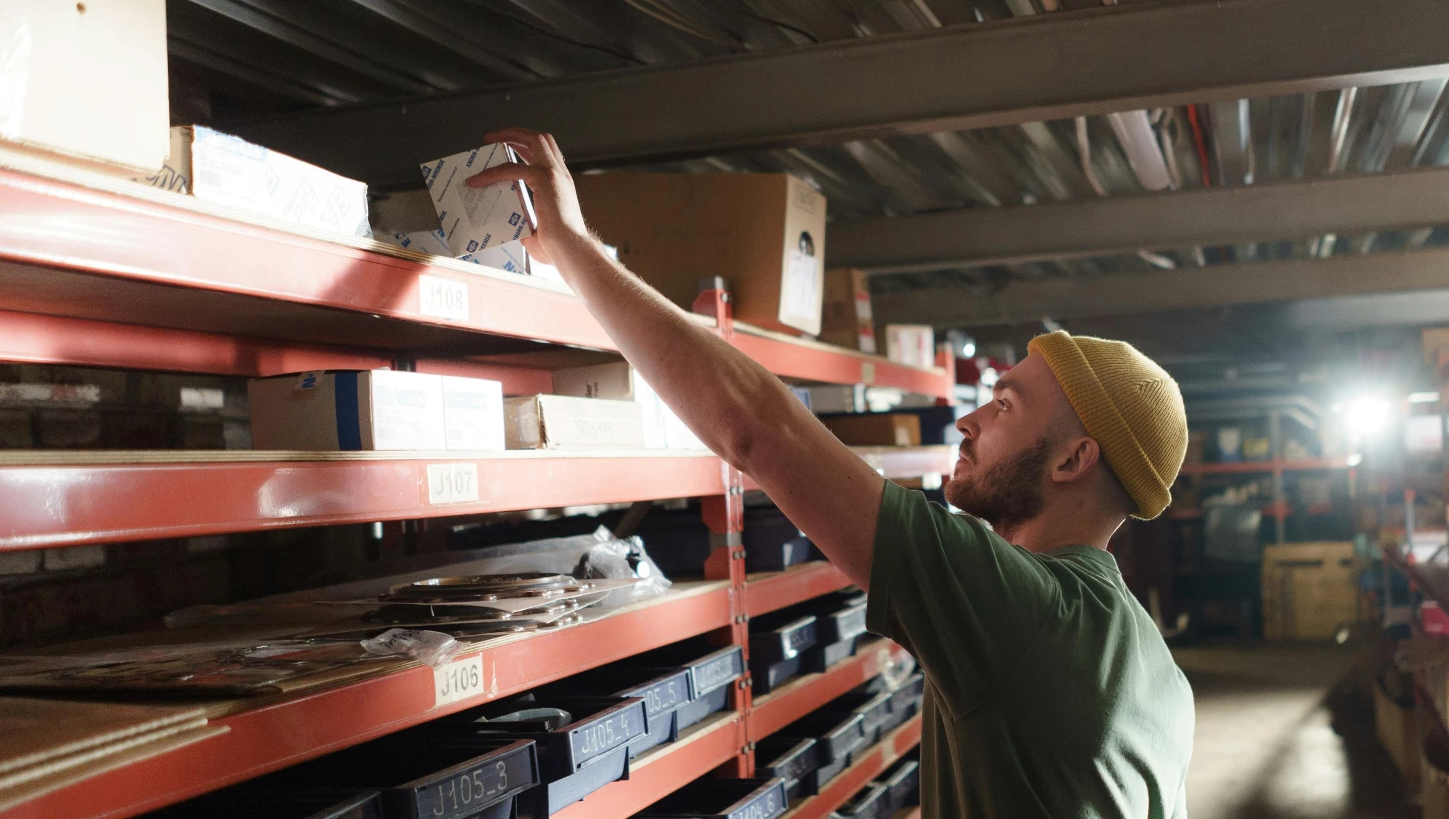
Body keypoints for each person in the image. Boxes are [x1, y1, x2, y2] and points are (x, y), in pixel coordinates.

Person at [468, 129, 1195, 818]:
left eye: (1004, 406)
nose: (968, 422)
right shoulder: (1148, 659)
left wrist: (572, 245)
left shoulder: (1022, 610)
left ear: (1073, 460)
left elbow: (758, 428)